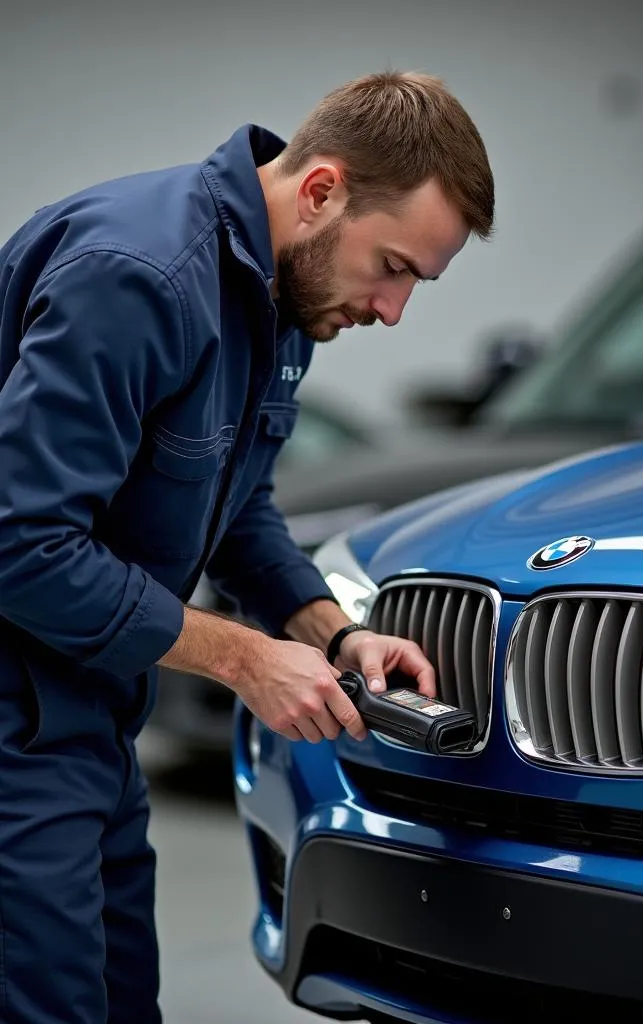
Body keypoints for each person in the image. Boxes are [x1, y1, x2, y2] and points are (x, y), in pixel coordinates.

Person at [0, 70, 494, 1023]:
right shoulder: (138, 278)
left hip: (91, 714)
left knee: (117, 995)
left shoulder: (281, 293)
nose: (392, 312)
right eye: (392, 267)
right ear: (320, 191)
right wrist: (243, 659)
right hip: (14, 717)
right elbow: (19, 542)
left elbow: (236, 500)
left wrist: (328, 632)